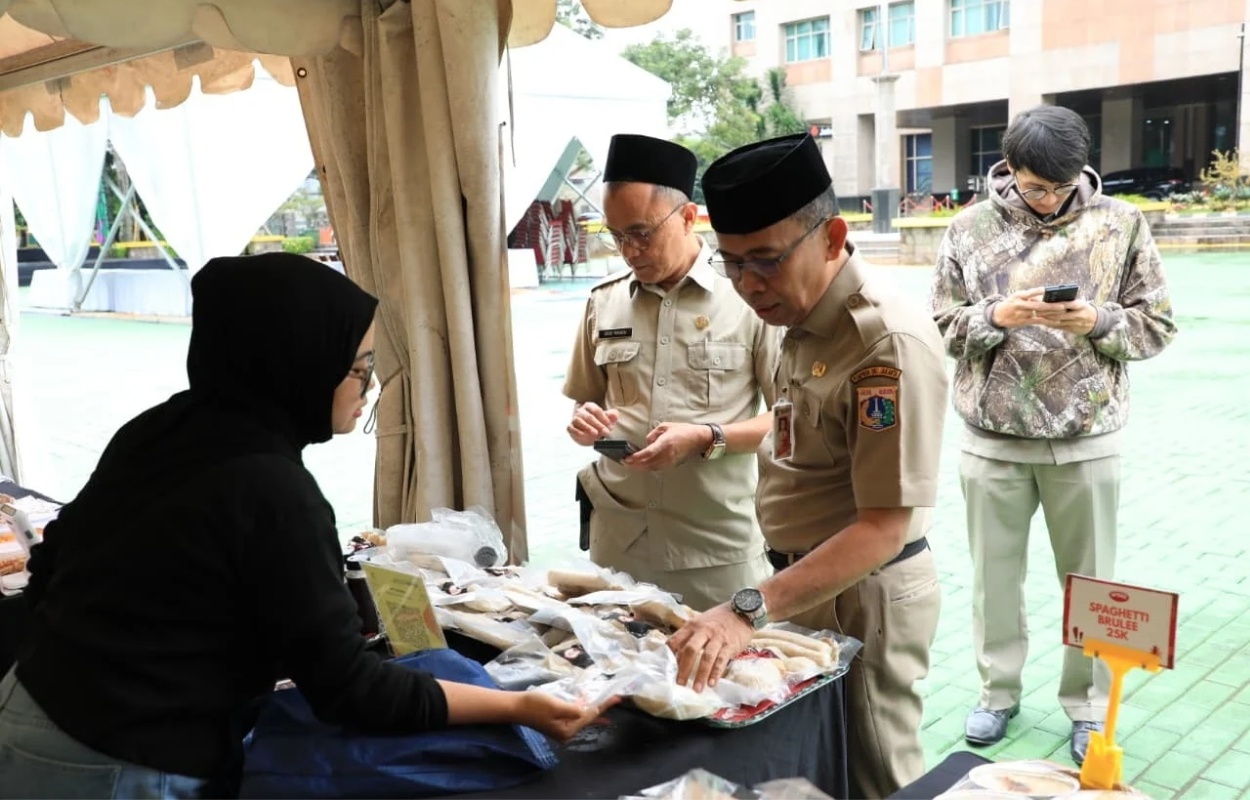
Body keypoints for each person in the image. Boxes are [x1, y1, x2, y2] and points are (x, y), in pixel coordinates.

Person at [0, 253, 612, 799]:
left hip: (30, 705)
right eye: (356, 367)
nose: (369, 389)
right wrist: (518, 707)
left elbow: (53, 565)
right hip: (120, 758)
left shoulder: (162, 428)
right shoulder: (271, 488)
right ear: (295, 360)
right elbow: (349, 690)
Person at [667, 133, 949, 799]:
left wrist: (745, 608)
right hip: (807, 583)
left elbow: (883, 526)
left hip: (864, 594)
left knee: (879, 772)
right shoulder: (798, 318)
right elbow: (799, 435)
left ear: (831, 237)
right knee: (823, 764)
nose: (747, 285)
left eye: (764, 260)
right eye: (731, 264)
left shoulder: (883, 344)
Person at [927, 105, 1177, 764]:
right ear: (1010, 169)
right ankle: (997, 693)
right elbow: (944, 325)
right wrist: (994, 316)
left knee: (1091, 582)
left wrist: (1096, 320)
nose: (1050, 199)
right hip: (993, 437)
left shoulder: (1121, 224)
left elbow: (1157, 325)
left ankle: (1088, 707)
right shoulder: (969, 228)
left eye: (1062, 186)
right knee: (995, 580)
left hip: (1087, 436)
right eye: (1038, 186)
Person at [563, 134, 779, 611]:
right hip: (617, 542)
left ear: (688, 217)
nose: (629, 250)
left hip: (714, 548)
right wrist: (586, 422)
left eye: (642, 232)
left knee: (728, 678)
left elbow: (790, 417)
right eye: (615, 235)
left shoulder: (748, 298)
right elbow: (587, 401)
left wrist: (706, 436)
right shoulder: (604, 301)